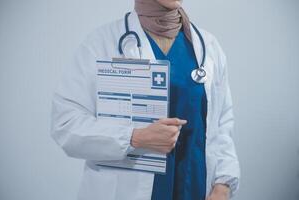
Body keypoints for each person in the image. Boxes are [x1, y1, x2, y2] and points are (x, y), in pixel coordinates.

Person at [50, 0, 240, 199]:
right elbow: (66, 123)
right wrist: (133, 137)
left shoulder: (207, 46)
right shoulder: (101, 43)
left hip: (195, 188)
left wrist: (223, 185)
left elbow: (222, 125)